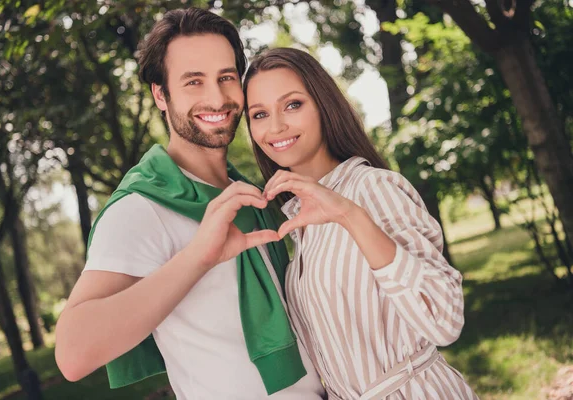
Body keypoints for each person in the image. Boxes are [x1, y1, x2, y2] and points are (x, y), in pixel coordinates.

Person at [54, 10, 325, 400]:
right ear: (161, 94)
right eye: (193, 82)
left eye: (226, 77)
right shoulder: (141, 209)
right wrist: (199, 256)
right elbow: (73, 355)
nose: (216, 98)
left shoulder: (250, 195)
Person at [244, 47, 478, 400]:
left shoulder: (372, 189)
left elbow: (444, 320)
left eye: (292, 105)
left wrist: (349, 215)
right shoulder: (296, 223)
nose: (275, 126)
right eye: (259, 114)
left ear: (323, 105)